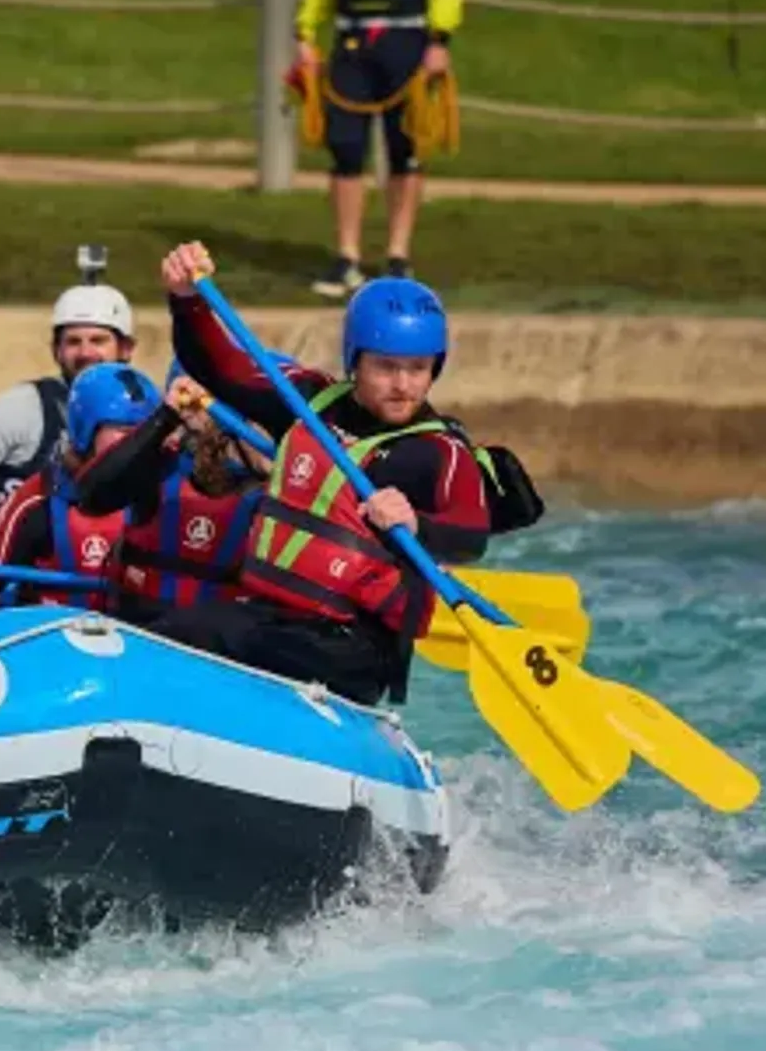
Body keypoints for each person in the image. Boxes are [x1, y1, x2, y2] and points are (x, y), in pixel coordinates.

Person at [150, 240, 540, 707]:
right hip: (274, 617)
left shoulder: (440, 452)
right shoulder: (309, 401)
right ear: (355, 360)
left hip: (353, 649)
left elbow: (469, 536)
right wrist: (187, 300)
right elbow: (220, 368)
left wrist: (417, 524)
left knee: (200, 634)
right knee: (170, 632)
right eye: (386, 367)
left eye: (418, 369)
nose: (403, 385)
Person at [0, 254, 137, 549]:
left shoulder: (147, 412)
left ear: (126, 348)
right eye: (73, 342)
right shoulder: (19, 407)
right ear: (56, 351)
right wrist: (9, 516)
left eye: (98, 340)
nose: (85, 353)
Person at [0, 362, 160, 614]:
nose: (138, 444)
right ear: (85, 432)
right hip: (56, 631)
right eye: (125, 432)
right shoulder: (38, 498)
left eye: (145, 433)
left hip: (142, 630)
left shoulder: (169, 494)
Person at [66, 371, 270, 627]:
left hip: (219, 646)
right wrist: (165, 417)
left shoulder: (283, 490)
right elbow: (92, 498)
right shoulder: (163, 465)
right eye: (264, 425)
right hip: (142, 632)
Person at [295, 0, 463, 295]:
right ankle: (347, 257)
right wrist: (305, 33)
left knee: (406, 150)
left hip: (407, 39)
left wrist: (440, 39)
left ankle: (398, 257)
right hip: (351, 42)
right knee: (345, 149)